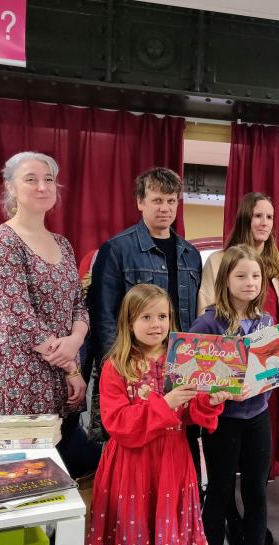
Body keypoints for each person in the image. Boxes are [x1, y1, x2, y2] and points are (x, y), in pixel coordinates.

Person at [83, 284, 229, 545]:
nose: (156, 324)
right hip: (129, 465)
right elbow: (116, 422)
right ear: (128, 322)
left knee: (164, 527)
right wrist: (165, 404)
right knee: (129, 526)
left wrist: (211, 401)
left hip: (172, 461)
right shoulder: (115, 365)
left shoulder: (181, 360)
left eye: (162, 316)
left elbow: (194, 413)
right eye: (146, 317)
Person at [194, 245, 279, 545]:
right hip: (222, 423)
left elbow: (271, 372)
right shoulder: (208, 323)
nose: (250, 282)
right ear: (226, 280)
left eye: (256, 276)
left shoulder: (266, 322)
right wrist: (215, 390)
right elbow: (190, 375)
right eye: (241, 275)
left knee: (256, 489)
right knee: (219, 492)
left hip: (256, 419)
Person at [197, 192, 279, 545]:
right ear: (245, 218)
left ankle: (250, 527)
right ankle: (229, 520)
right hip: (227, 386)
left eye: (269, 217)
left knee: (258, 461)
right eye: (257, 215)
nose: (263, 223)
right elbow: (207, 315)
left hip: (265, 377)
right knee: (223, 469)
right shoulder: (219, 260)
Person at [0, 151, 91, 476]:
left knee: (58, 475)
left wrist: (77, 341)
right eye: (31, 179)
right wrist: (71, 362)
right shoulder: (2, 242)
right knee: (22, 477)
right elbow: (19, 318)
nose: (42, 186)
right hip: (21, 378)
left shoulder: (63, 244)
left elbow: (78, 305)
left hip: (62, 377)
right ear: (10, 187)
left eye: (49, 179)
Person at [88, 167, 202, 459]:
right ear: (140, 202)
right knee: (133, 451)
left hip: (177, 368)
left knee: (178, 450)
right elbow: (103, 317)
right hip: (132, 372)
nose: (165, 208)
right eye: (156, 200)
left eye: (171, 201)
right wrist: (115, 369)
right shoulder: (116, 250)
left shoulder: (190, 254)